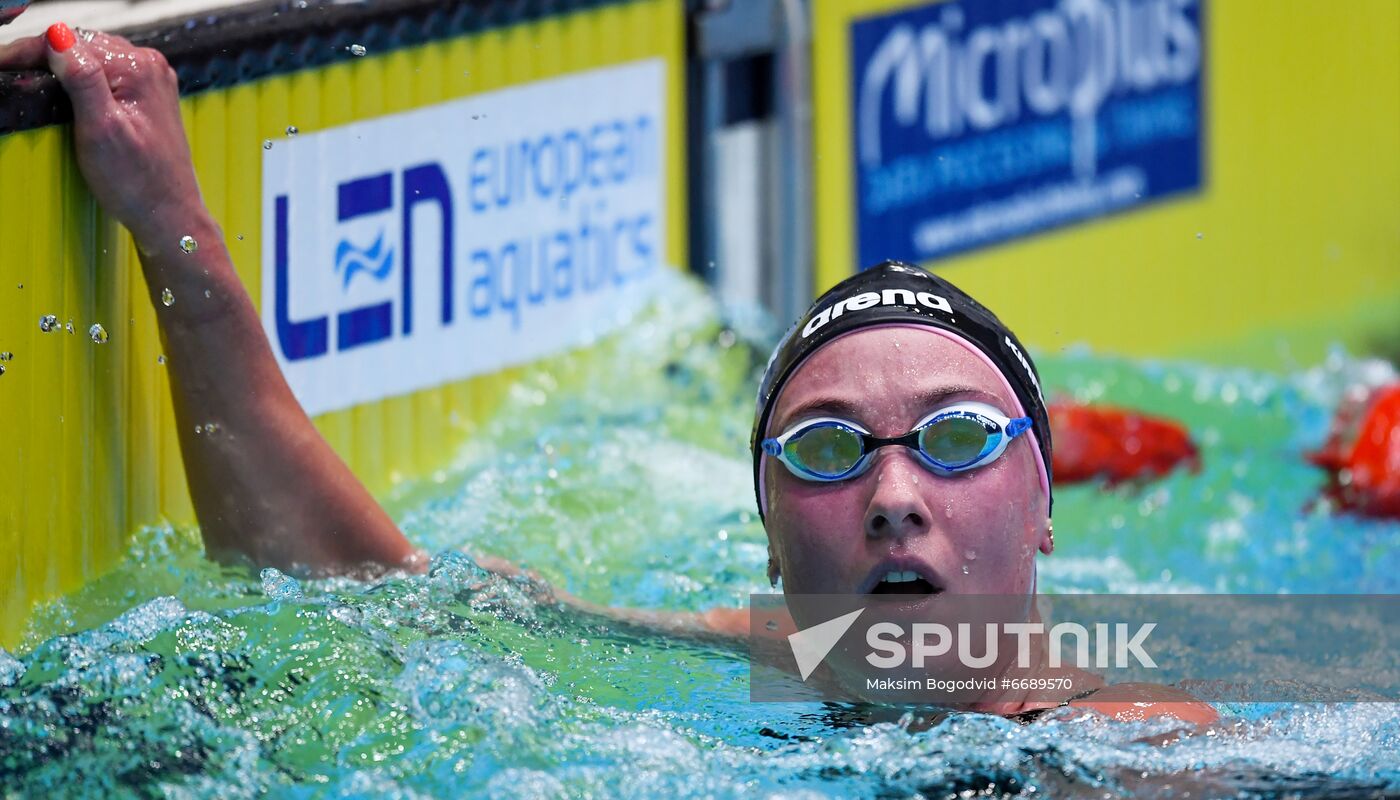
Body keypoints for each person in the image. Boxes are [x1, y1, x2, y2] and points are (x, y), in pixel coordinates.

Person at [0, 24, 1216, 726]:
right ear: (771, 538)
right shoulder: (771, 650)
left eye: (951, 437)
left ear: (1047, 499)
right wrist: (175, 234)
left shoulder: (1141, 741)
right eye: (828, 450)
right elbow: (347, 584)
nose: (893, 491)